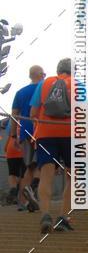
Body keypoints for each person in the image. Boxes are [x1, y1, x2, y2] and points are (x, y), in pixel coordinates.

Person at [29, 58, 75, 233]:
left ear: (58, 70)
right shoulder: (79, 85)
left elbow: (33, 112)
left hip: (45, 134)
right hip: (71, 134)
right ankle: (63, 218)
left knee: (46, 175)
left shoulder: (45, 83)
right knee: (73, 177)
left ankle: (46, 215)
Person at [11, 64, 45, 210]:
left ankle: (24, 202)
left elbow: (14, 115)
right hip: (41, 131)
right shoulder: (45, 90)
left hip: (25, 132)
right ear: (41, 75)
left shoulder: (20, 92)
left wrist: (14, 135)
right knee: (43, 164)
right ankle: (32, 188)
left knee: (29, 167)